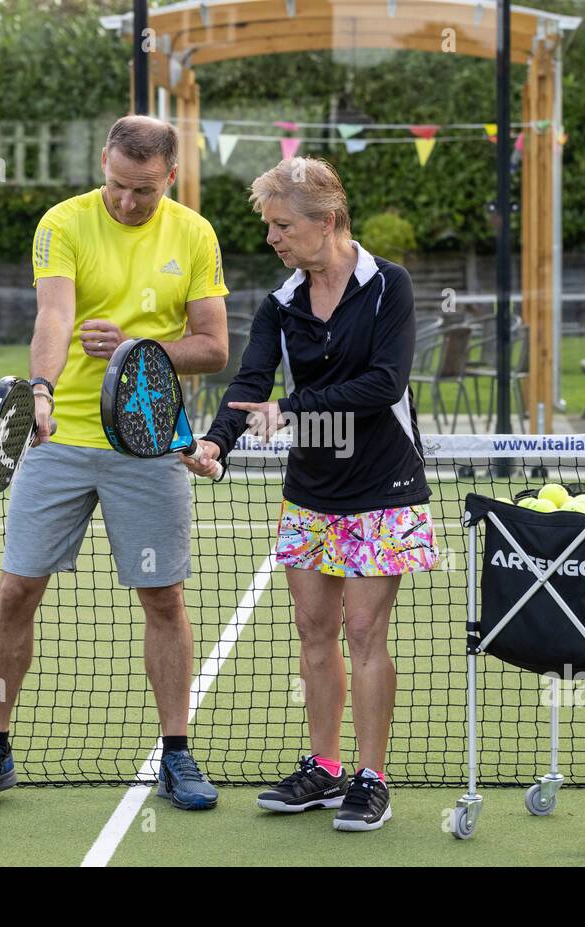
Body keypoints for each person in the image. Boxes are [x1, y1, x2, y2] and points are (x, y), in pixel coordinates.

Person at [0, 115, 229, 812]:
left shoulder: (194, 234)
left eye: (144, 191)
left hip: (150, 438)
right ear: (103, 161)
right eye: (117, 185)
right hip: (60, 437)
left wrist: (136, 346)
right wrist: (40, 390)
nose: (129, 203)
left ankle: (177, 753)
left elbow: (215, 347)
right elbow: (53, 317)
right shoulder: (62, 222)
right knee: (16, 591)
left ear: (170, 176)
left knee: (162, 598)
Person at [182, 157, 436, 831]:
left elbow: (385, 384)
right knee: (314, 631)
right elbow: (249, 382)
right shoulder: (281, 304)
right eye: (269, 225)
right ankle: (325, 768)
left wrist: (290, 409)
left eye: (283, 225)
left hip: (385, 486)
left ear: (327, 222)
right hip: (311, 492)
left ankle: (371, 776)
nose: (273, 237)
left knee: (364, 632)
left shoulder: (389, 288)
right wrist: (215, 444)